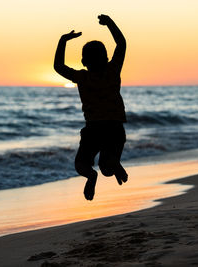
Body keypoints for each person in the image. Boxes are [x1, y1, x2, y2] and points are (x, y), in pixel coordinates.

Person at [54, 14, 128, 200]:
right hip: (115, 128)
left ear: (83, 62)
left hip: (93, 130)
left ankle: (90, 176)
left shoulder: (82, 77)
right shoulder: (113, 70)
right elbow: (121, 44)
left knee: (81, 164)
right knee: (107, 169)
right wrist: (110, 23)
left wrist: (63, 41)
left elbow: (59, 66)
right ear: (106, 58)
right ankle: (113, 163)